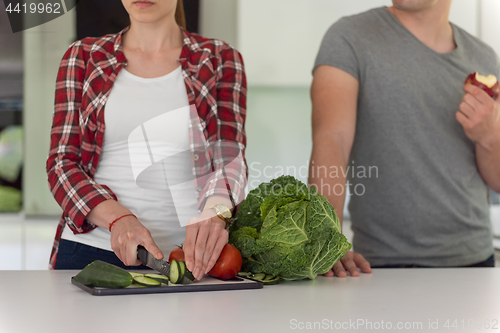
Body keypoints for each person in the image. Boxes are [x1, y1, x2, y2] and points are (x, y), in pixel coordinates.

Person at [46, 0, 247, 281]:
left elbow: (230, 162)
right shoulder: (83, 56)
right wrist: (118, 219)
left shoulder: (220, 59)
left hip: (191, 258)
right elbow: (61, 163)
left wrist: (215, 214)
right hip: (92, 249)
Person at [310, 0, 500, 277]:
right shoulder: (350, 36)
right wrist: (324, 239)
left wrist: (489, 137)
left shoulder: (483, 57)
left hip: (473, 262)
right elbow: (331, 139)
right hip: (380, 265)